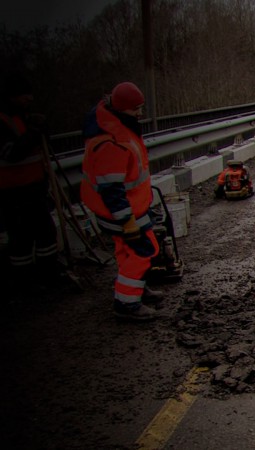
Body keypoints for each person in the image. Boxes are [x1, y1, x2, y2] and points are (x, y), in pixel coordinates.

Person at [81, 81, 163, 321]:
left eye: (141, 108)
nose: (139, 114)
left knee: (125, 249)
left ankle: (133, 287)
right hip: (120, 211)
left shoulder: (116, 127)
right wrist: (126, 220)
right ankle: (126, 303)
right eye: (135, 109)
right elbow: (111, 188)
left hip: (125, 208)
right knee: (145, 249)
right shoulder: (110, 143)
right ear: (120, 108)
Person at [0, 71, 61, 288]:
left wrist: (41, 131)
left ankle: (48, 275)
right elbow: (12, 153)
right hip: (12, 192)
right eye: (24, 95)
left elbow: (38, 148)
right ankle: (24, 280)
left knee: (45, 232)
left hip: (34, 188)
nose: (30, 99)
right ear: (11, 96)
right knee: (20, 238)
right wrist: (34, 133)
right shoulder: (3, 121)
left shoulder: (25, 118)